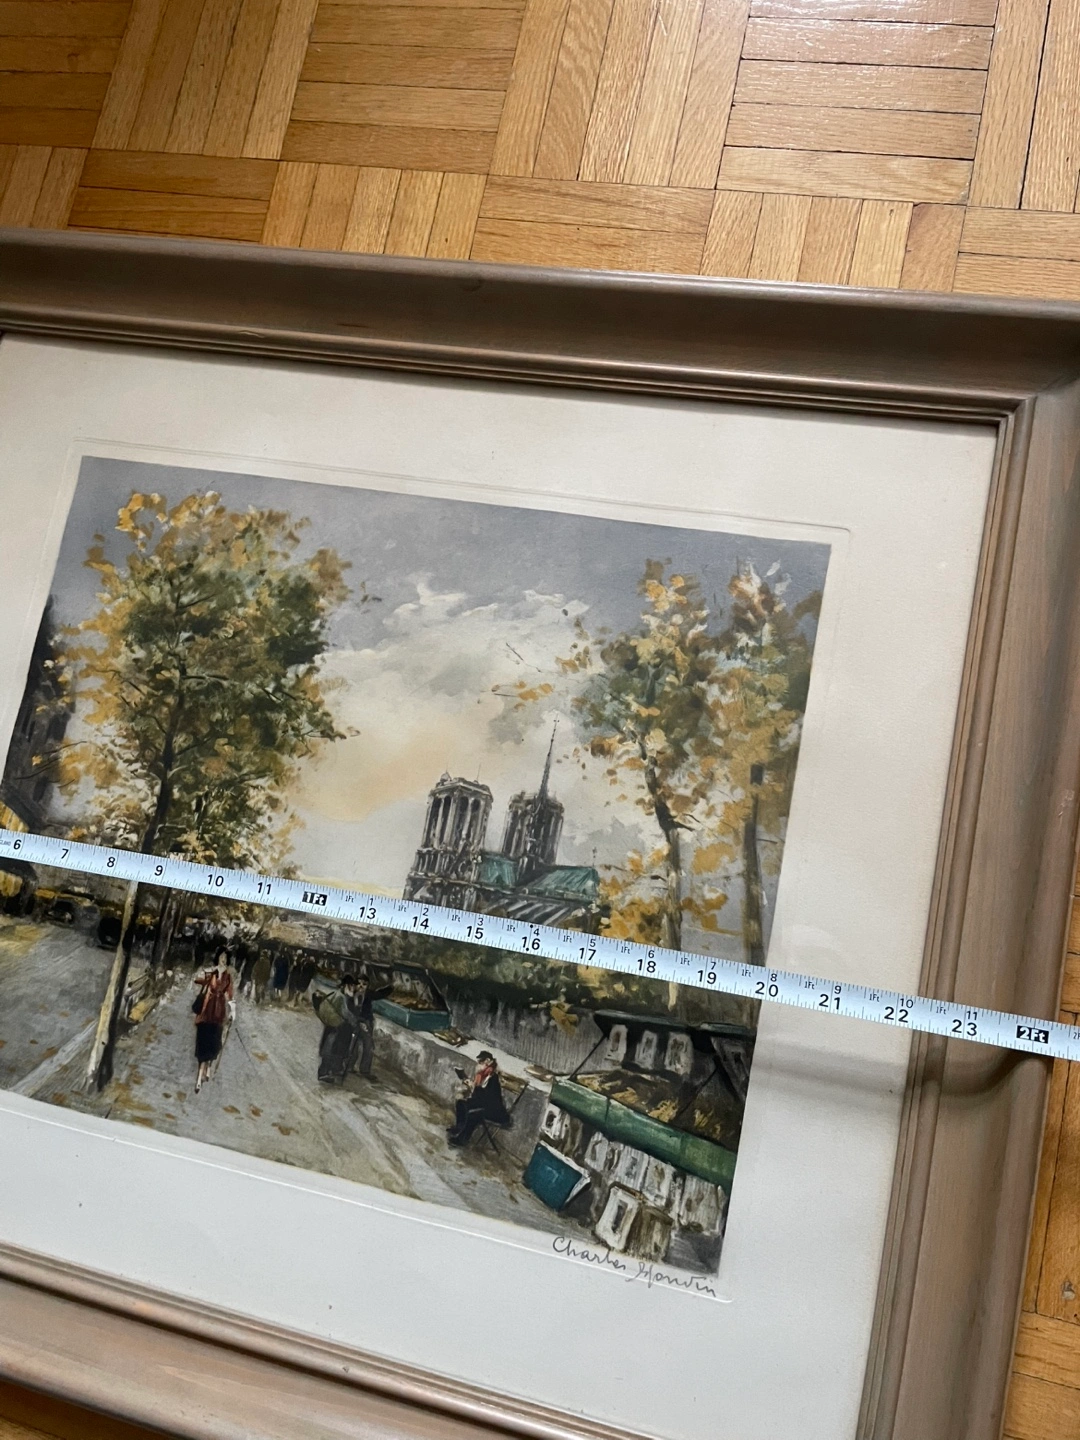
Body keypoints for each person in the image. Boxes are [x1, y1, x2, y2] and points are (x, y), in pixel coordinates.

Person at [447, 1051, 509, 1147]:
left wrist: (473, 1087)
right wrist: (471, 1086)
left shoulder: (492, 1077)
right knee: (461, 1103)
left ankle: (462, 1140)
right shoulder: (482, 1075)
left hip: (495, 1111)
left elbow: (488, 1099)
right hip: (484, 1104)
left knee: (474, 1114)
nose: (478, 1065)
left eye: (480, 1062)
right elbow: (479, 1097)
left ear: (488, 1061)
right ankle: (459, 1128)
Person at [193, 950, 234, 1093]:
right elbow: (198, 980)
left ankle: (209, 1066)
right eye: (221, 957)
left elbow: (230, 995)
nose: (223, 959)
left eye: (225, 957)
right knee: (203, 1043)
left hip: (219, 1012)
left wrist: (232, 1012)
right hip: (206, 1010)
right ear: (217, 958)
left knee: (213, 1043)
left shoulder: (228, 976)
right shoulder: (211, 972)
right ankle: (199, 1078)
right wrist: (202, 974)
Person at [316, 974, 361, 1085]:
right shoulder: (341, 997)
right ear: (346, 985)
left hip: (332, 1026)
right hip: (336, 1028)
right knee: (331, 1050)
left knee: (332, 1049)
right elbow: (345, 1013)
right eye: (351, 985)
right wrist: (355, 1022)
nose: (353, 988)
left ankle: (331, 1070)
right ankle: (324, 1073)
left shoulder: (337, 994)